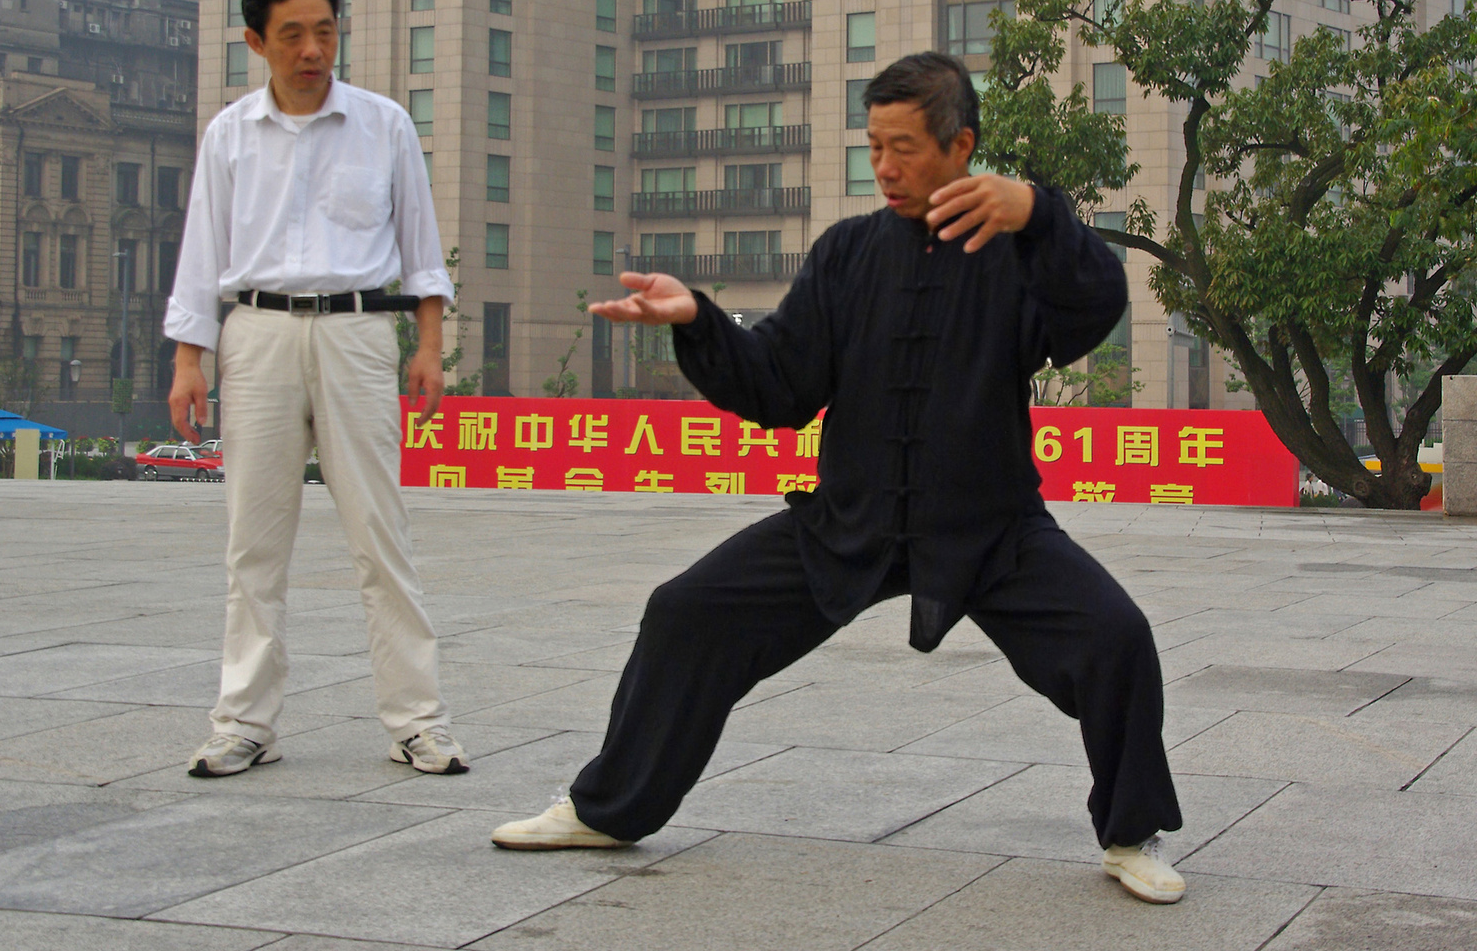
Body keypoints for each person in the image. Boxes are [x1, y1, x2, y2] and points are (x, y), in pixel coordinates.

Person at [491, 52, 1185, 904]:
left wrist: (1041, 213)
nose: (885, 168)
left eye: (906, 147)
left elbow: (1095, 304)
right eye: (875, 146)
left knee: (1116, 638)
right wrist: (700, 320)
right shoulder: (849, 252)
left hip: (989, 529)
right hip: (845, 523)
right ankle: (608, 808)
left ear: (961, 144)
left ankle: (1128, 834)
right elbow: (781, 383)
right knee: (684, 612)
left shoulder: (1016, 254)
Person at [165, 0, 468, 779]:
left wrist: (431, 348)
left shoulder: (383, 124)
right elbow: (202, 255)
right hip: (256, 336)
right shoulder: (230, 133)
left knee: (380, 533)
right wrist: (190, 361)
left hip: (358, 335)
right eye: (292, 34)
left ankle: (418, 720)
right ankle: (244, 722)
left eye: (325, 32)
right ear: (255, 41)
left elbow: (420, 248)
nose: (312, 50)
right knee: (253, 544)